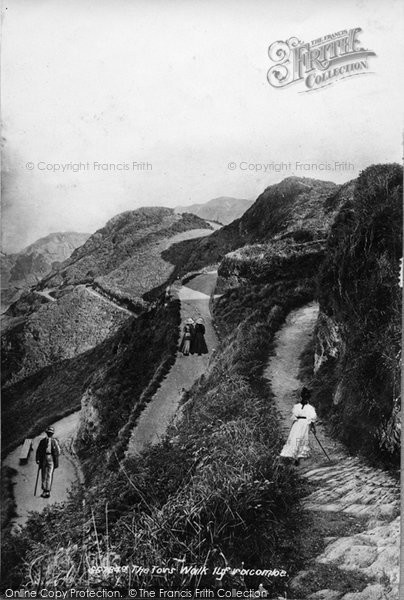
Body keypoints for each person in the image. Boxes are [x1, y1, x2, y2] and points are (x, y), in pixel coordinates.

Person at [280, 387, 317, 466]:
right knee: (301, 439)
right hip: (304, 424)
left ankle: (294, 457)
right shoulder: (310, 408)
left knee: (295, 438)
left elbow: (294, 418)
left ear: (301, 397)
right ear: (308, 398)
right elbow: (311, 420)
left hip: (297, 423)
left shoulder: (297, 407)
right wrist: (313, 428)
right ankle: (297, 458)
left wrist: (292, 427)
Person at [36, 426, 60, 498]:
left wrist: (55, 458)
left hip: (51, 458)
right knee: (43, 474)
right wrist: (37, 459)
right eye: (49, 433)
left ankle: (47, 491)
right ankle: (44, 489)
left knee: (49, 474)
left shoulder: (54, 441)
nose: (50, 434)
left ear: (52, 434)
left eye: (51, 433)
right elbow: (38, 451)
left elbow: (58, 451)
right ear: (47, 433)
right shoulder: (42, 441)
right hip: (44, 458)